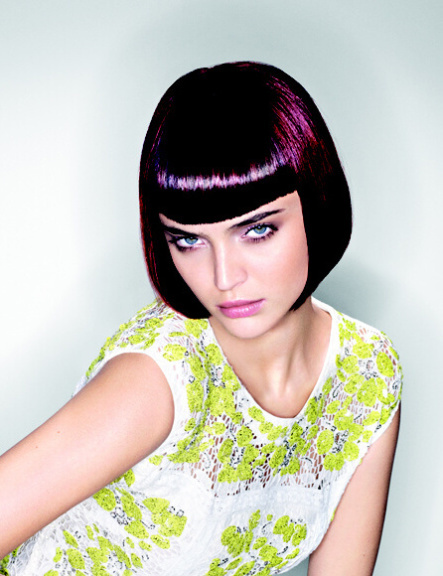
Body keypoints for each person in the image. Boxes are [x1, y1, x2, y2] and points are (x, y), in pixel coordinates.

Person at [0, 61, 402, 576]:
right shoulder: (157, 379)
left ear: (318, 204)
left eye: (257, 230)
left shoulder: (367, 375)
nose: (223, 276)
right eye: (188, 240)